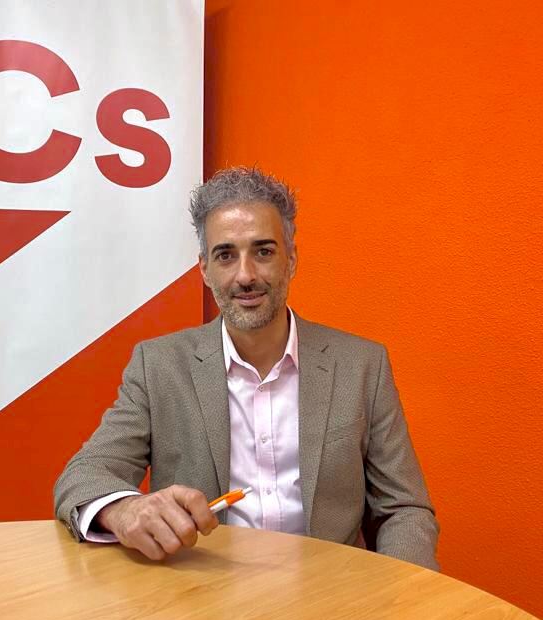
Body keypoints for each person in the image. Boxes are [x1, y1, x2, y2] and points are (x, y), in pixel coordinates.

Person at [54, 167, 439, 570]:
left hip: (331, 593)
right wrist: (125, 510)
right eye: (226, 255)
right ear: (204, 269)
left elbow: (404, 509)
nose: (245, 276)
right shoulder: (159, 366)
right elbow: (85, 474)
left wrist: (400, 594)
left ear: (291, 259)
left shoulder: (361, 365)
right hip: (202, 595)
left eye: (263, 251)